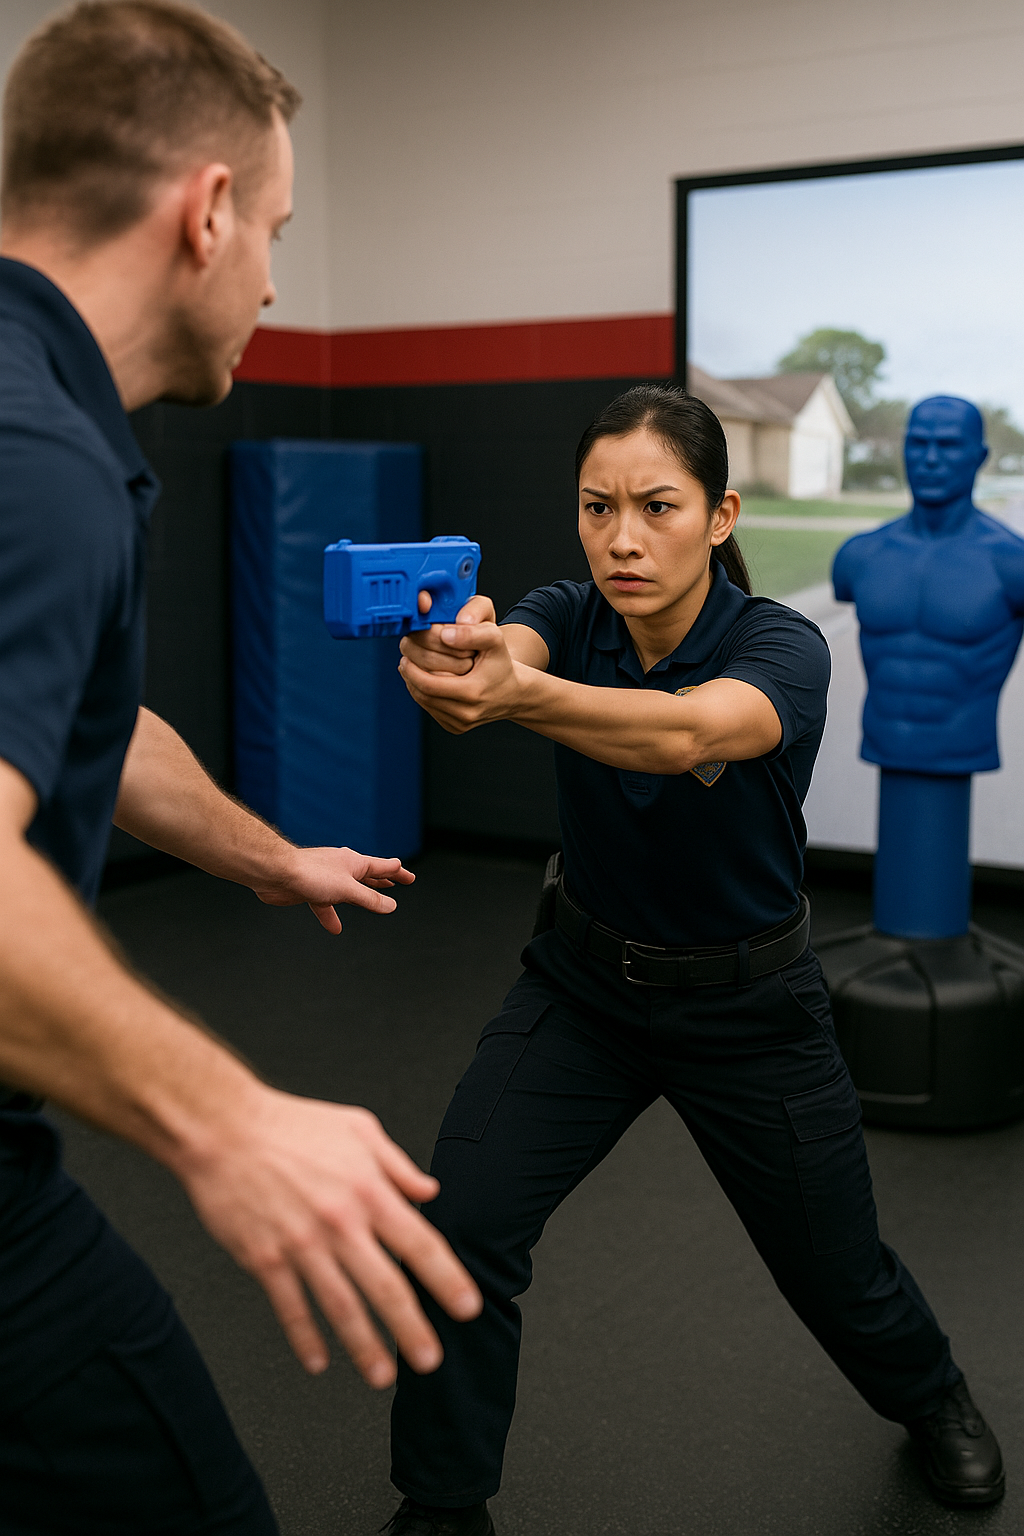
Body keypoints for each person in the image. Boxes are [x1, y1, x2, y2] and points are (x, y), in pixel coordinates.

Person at [0, 5, 480, 1534]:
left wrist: (268, 854)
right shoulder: (40, 468)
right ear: (204, 214)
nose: (276, 278)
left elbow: (93, 726)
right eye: (273, 230)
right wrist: (230, 1121)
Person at [384, 383, 1005, 1535]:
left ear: (719, 515)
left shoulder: (779, 646)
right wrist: (472, 659)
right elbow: (508, 648)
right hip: (579, 991)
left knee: (838, 1273)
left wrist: (516, 696)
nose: (622, 538)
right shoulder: (566, 614)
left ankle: (934, 1396)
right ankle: (441, 1507)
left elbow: (684, 734)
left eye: (656, 506)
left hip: (748, 1007)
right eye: (596, 506)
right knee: (454, 1224)